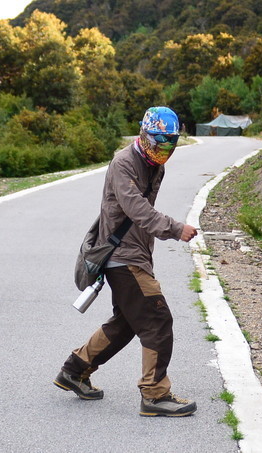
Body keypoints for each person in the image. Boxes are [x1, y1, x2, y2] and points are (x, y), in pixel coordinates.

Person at [54, 106, 199, 417]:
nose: (162, 152)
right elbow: (137, 210)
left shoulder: (155, 166)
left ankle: (74, 370)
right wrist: (175, 229)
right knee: (157, 321)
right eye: (158, 145)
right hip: (123, 257)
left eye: (169, 146)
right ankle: (155, 395)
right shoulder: (123, 163)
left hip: (136, 255)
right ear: (144, 136)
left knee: (126, 323)